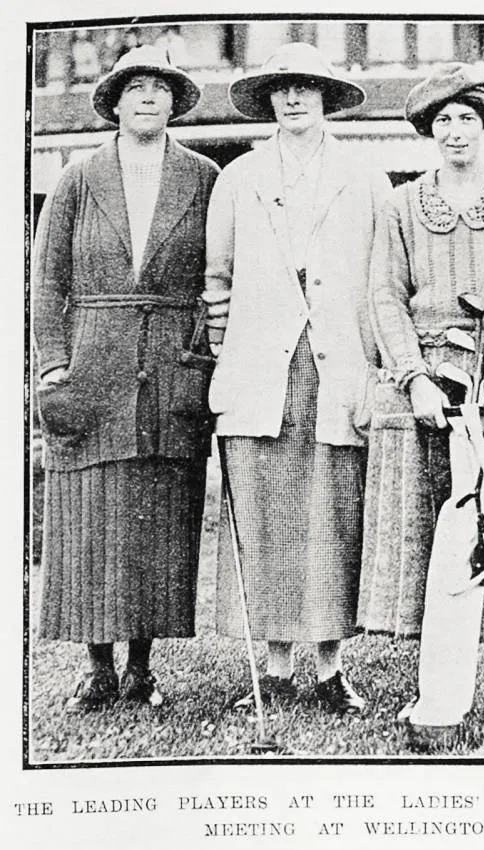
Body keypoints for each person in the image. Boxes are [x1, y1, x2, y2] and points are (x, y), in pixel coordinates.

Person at [361, 63, 484, 746]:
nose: (454, 131)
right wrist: (410, 376)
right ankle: (435, 678)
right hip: (430, 384)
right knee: (433, 531)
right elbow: (385, 294)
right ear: (426, 132)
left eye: (465, 117)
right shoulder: (402, 203)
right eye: (441, 121)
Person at [204, 42, 391, 715]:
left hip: (338, 368)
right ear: (268, 100)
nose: (293, 99)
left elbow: (380, 282)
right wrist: (227, 358)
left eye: (306, 87)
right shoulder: (240, 178)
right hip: (261, 371)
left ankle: (332, 666)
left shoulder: (366, 179)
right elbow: (216, 281)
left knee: (334, 519)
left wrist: (374, 369)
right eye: (281, 89)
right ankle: (278, 668)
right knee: (269, 517)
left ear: (326, 97)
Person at [33, 45, 219, 712]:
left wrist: (206, 354)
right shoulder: (77, 179)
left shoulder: (201, 177)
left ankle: (143, 666)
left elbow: (219, 276)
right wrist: (54, 364)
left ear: (175, 102)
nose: (147, 98)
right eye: (134, 87)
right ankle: (97, 667)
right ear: (114, 101)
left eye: (159, 88)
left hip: (171, 369)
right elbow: (45, 281)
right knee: (91, 517)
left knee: (157, 519)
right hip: (93, 365)